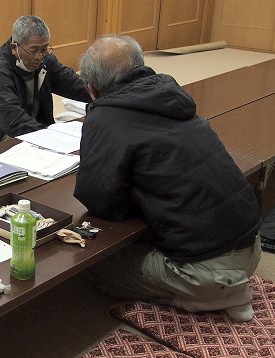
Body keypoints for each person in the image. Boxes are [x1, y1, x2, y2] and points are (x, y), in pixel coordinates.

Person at [74, 35, 261, 322]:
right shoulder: (171, 94)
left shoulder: (105, 118)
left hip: (204, 271)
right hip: (253, 247)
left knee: (93, 263)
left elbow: (101, 202)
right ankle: (217, 288)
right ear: (140, 66)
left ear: (91, 88)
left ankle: (205, 297)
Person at [0, 15, 91, 150]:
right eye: (33, 51)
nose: (39, 57)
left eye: (44, 49)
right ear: (14, 47)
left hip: (34, 130)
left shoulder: (45, 60)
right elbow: (14, 121)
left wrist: (104, 97)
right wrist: (51, 138)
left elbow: (74, 84)